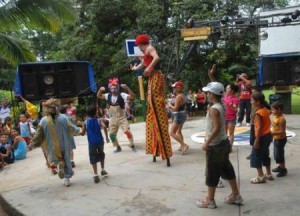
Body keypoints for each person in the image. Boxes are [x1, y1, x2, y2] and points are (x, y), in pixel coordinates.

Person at [197, 81, 243, 209]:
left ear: (212, 94)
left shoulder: (213, 109)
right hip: (223, 143)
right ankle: (236, 195)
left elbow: (216, 128)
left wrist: (206, 142)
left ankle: (210, 200)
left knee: (212, 173)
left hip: (215, 145)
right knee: (227, 170)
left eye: (207, 92)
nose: (206, 94)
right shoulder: (221, 105)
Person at [131, 34, 172, 166]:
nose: (139, 48)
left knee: (155, 101)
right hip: (151, 78)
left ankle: (159, 111)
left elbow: (156, 58)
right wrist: (136, 68)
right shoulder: (144, 53)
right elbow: (144, 63)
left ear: (141, 44)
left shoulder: (149, 48)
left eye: (138, 46)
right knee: (150, 103)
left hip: (156, 76)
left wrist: (149, 68)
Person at [31, 99, 80, 187]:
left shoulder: (43, 121)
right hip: (64, 143)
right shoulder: (64, 118)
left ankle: (58, 166)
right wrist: (78, 130)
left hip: (52, 144)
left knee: (54, 159)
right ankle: (66, 178)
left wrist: (33, 144)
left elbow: (38, 134)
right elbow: (71, 127)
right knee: (66, 159)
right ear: (57, 108)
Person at [97, 78, 136, 153]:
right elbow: (99, 96)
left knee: (127, 132)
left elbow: (132, 96)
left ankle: (132, 146)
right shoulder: (108, 95)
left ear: (117, 88)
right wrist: (100, 90)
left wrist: (127, 88)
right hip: (113, 118)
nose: (113, 90)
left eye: (115, 88)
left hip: (122, 117)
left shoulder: (122, 95)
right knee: (111, 135)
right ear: (110, 89)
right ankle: (118, 147)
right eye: (112, 88)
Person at [81, 105, 108, 183]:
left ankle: (95, 174)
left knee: (93, 157)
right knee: (101, 154)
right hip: (100, 141)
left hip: (91, 143)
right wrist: (106, 137)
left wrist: (80, 130)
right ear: (95, 112)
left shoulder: (85, 122)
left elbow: (82, 133)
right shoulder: (99, 120)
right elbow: (105, 127)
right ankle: (103, 170)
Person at [249, 92, 273, 184]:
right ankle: (269, 173)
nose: (251, 102)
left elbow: (258, 128)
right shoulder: (265, 110)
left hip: (261, 137)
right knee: (265, 154)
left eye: (252, 100)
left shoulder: (258, 113)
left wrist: (257, 141)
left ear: (258, 102)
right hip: (267, 136)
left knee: (255, 156)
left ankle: (261, 176)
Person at [167, 81, 189, 155]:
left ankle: (184, 145)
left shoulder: (178, 96)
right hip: (183, 114)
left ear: (179, 88)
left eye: (175, 87)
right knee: (178, 131)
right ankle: (181, 146)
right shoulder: (182, 95)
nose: (173, 89)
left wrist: (169, 105)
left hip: (179, 115)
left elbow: (175, 108)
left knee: (172, 133)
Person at [271, 101, 288, 177]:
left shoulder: (281, 119)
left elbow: (282, 131)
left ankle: (283, 169)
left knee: (279, 155)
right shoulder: (276, 117)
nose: (272, 111)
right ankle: (280, 166)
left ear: (279, 110)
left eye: (274, 110)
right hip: (276, 138)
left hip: (280, 139)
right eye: (272, 109)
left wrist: (272, 133)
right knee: (276, 155)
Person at [223, 84, 239, 151]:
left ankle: (230, 147)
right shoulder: (225, 96)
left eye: (228, 88)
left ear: (232, 91)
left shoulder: (235, 99)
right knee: (224, 133)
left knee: (231, 133)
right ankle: (224, 146)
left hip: (231, 118)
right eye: (226, 88)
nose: (226, 90)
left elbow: (235, 108)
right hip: (224, 117)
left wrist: (232, 105)